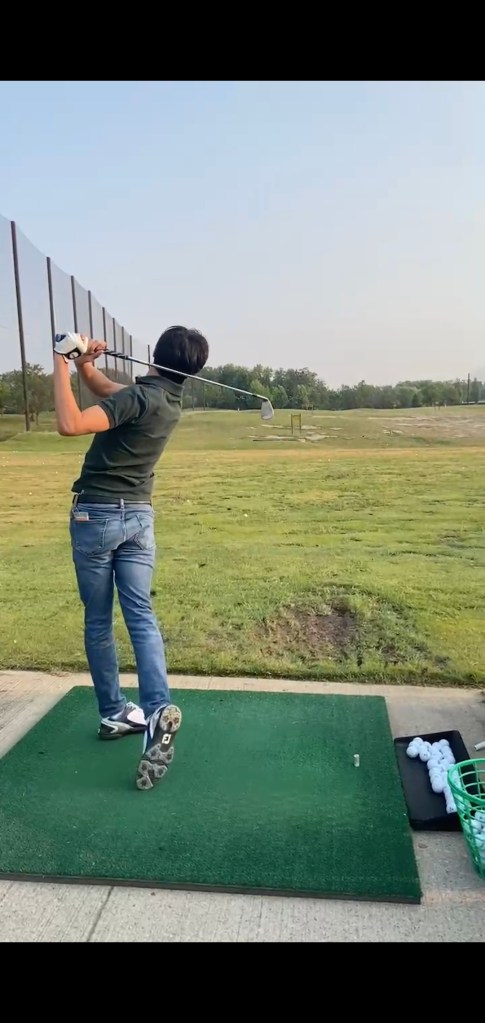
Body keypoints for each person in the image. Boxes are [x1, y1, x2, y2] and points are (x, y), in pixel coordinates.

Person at [53, 326, 209, 790]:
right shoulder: (166, 400)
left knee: (99, 618)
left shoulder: (139, 398)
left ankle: (114, 712)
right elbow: (108, 391)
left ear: (154, 355)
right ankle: (157, 708)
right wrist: (85, 365)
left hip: (97, 517)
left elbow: (71, 424)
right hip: (139, 517)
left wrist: (61, 363)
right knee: (140, 614)